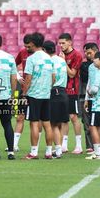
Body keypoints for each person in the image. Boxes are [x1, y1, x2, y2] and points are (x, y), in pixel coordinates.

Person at [22, 32, 56, 160]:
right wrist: (47, 87)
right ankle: (48, 152)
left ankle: (34, 152)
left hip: (34, 95)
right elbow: (53, 78)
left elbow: (28, 78)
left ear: (34, 44)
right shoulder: (49, 58)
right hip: (46, 95)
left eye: (28, 46)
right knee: (47, 124)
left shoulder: (32, 59)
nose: (27, 48)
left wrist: (24, 93)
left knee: (34, 123)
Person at [58, 33, 84, 154]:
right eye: (59, 43)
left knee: (73, 117)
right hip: (62, 89)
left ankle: (79, 145)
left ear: (70, 42)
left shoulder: (77, 55)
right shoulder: (60, 56)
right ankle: (64, 145)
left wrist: (63, 62)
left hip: (72, 90)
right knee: (63, 119)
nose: (61, 45)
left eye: (63, 43)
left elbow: (72, 74)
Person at [44, 40, 67, 158]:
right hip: (63, 91)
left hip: (54, 92)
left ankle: (58, 150)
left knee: (52, 124)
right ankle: (58, 148)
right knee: (58, 124)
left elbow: (50, 78)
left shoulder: (48, 61)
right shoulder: (62, 60)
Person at [12, 35, 31, 152]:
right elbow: (13, 65)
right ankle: (14, 145)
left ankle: (36, 147)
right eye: (25, 46)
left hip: (37, 91)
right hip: (24, 90)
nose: (26, 48)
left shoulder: (40, 54)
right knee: (20, 117)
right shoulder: (23, 53)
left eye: (28, 46)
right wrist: (18, 77)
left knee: (37, 120)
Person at [81, 42, 98, 153]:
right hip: (86, 95)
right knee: (87, 123)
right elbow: (84, 79)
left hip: (99, 98)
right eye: (86, 53)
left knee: (99, 124)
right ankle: (90, 146)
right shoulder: (84, 66)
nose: (87, 55)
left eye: (89, 53)